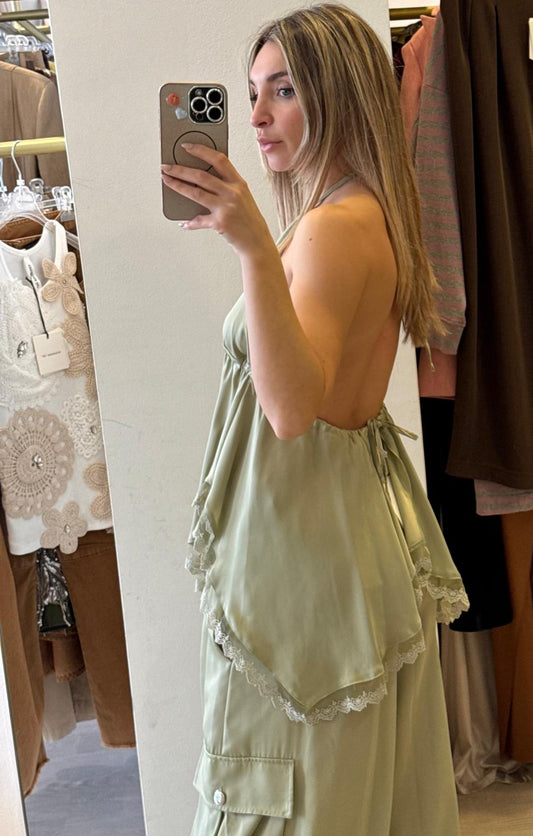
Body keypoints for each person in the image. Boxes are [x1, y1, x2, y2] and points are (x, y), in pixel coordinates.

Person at [161, 4, 468, 834]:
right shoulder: (362, 211)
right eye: (252, 93)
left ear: (340, 92)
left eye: (285, 91)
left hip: (302, 571)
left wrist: (253, 250)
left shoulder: (332, 229)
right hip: (338, 550)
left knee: (285, 804)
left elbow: (292, 410)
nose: (258, 116)